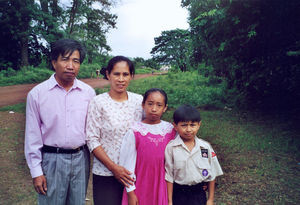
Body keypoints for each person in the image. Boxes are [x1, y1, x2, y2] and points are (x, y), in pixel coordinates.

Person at [24, 38, 96, 205]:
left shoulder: (88, 93)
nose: (70, 65)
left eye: (75, 61)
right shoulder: (37, 94)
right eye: (65, 59)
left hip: (81, 158)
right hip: (51, 160)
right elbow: (32, 137)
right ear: (54, 62)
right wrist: (36, 172)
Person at [86, 56, 143, 205]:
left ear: (131, 76)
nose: (121, 79)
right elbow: (92, 139)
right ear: (108, 75)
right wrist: (114, 168)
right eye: (116, 74)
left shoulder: (139, 102)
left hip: (134, 174)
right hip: (105, 174)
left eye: (125, 74)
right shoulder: (98, 102)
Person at [119, 88, 176, 205]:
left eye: (159, 105)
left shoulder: (170, 130)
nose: (154, 109)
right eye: (150, 104)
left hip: (162, 185)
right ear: (143, 105)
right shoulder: (135, 131)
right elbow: (127, 164)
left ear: (165, 108)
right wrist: (130, 192)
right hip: (140, 185)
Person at [165, 105, 223, 205]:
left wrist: (210, 199)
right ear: (175, 126)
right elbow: (169, 176)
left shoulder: (205, 147)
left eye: (192, 125)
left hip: (198, 194)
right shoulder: (171, 148)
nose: (188, 129)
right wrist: (170, 202)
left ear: (199, 125)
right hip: (178, 194)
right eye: (184, 125)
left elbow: (212, 174)